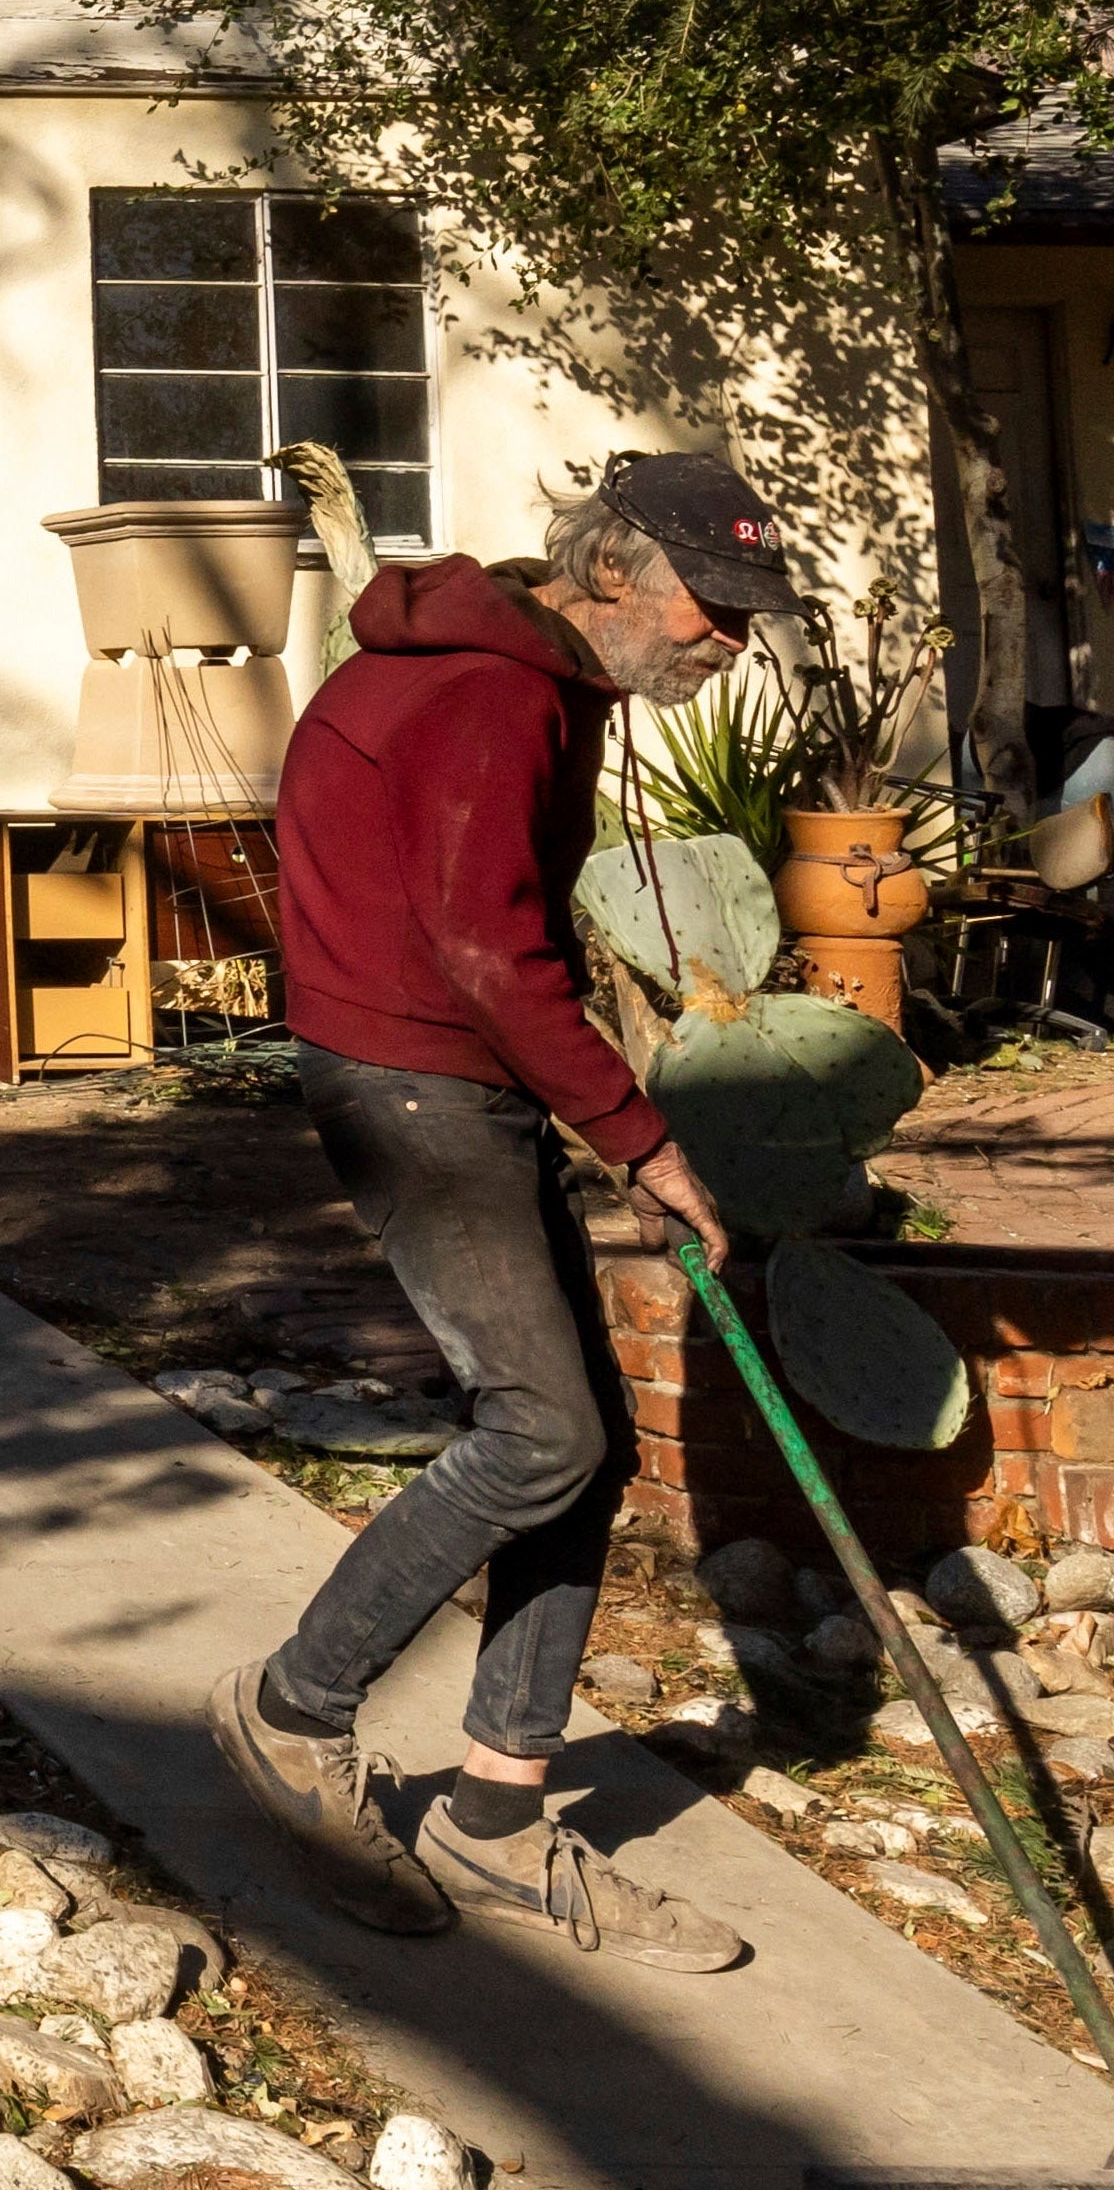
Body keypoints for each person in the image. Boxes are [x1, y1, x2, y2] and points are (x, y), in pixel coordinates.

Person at [203, 451, 803, 1967]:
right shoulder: (496, 690)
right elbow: (485, 946)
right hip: (417, 1080)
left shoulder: (528, 671)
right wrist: (644, 1140)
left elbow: (491, 930)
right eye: (711, 603)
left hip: (455, 1070)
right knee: (545, 1434)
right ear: (613, 570)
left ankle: (496, 1808)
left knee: (579, 1448)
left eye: (747, 613)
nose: (727, 638)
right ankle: (293, 1706)